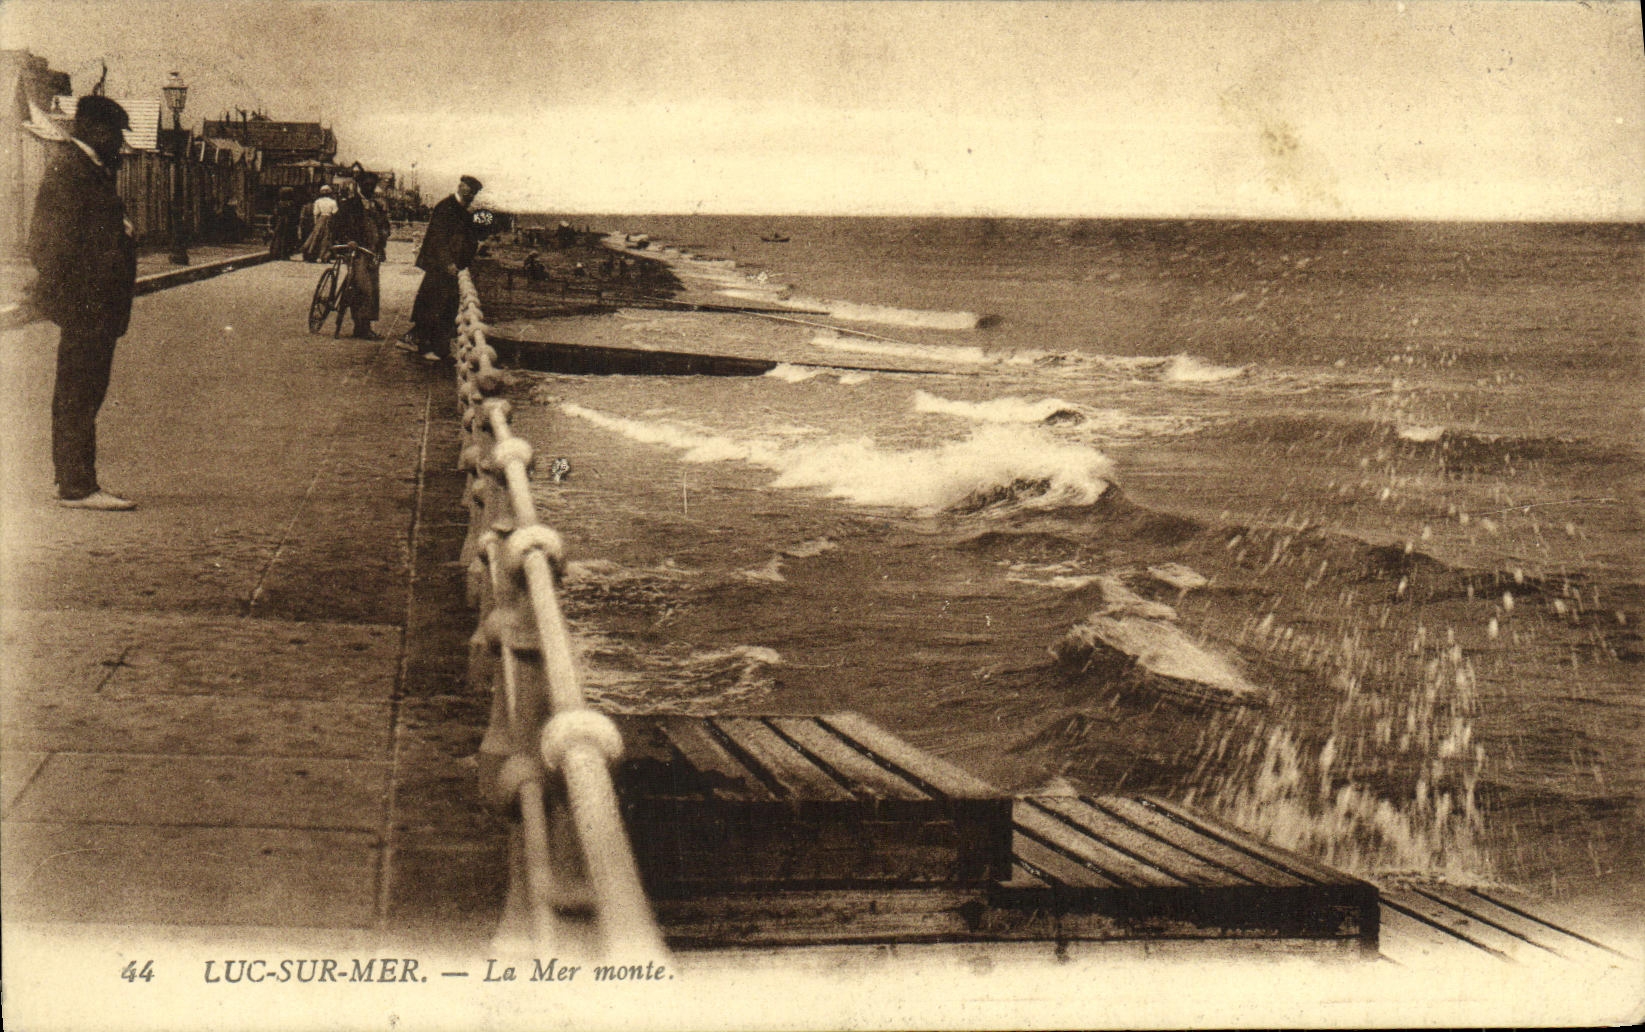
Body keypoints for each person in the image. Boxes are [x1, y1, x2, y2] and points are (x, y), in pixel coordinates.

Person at [26, 95, 140, 510]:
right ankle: (77, 487)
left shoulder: (90, 169)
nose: (119, 143)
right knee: (78, 394)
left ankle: (74, 480)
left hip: (96, 304)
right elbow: (47, 243)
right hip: (86, 304)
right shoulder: (71, 171)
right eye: (114, 134)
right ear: (92, 128)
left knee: (84, 393)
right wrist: (74, 295)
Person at [402, 174, 481, 361]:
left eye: (474, 193)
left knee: (445, 307)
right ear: (462, 188)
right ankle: (423, 346)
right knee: (433, 305)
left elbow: (467, 239)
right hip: (439, 266)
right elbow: (438, 239)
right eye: (470, 192)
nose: (472, 196)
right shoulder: (446, 207)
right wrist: (448, 263)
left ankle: (439, 348)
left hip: (450, 267)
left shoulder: (462, 211)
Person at [331, 176, 386, 339]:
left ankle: (363, 325)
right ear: (360, 186)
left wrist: (382, 240)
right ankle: (362, 326)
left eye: (372, 185)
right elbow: (335, 224)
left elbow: (384, 226)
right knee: (364, 287)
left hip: (372, 252)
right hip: (356, 251)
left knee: (373, 289)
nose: (369, 188)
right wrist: (348, 239)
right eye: (366, 184)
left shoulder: (376, 206)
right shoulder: (350, 204)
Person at [301, 184, 337, 262]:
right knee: (327, 237)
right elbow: (335, 212)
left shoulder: (318, 201)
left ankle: (312, 254)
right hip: (329, 219)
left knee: (316, 236)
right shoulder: (333, 202)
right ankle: (324, 256)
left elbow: (316, 213)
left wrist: (316, 222)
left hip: (320, 219)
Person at [269, 187, 302, 260]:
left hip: (280, 222)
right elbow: (294, 213)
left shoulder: (279, 203)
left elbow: (275, 213)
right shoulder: (291, 203)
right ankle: (285, 254)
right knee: (288, 238)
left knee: (278, 237)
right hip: (289, 222)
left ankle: (276, 253)